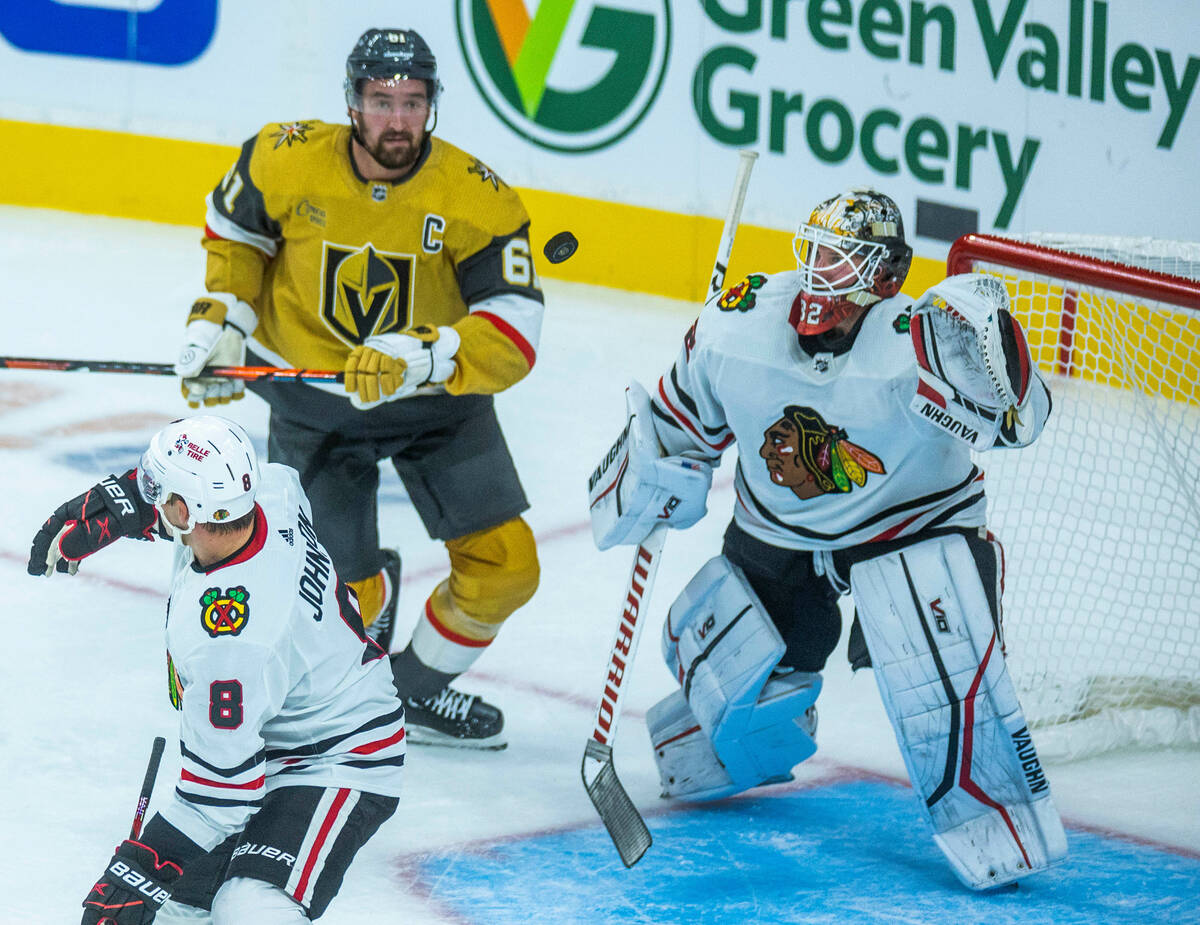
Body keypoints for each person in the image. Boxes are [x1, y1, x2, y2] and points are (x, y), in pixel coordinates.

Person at [586, 188, 1067, 888]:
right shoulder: (737, 324)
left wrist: (996, 361)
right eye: (814, 254)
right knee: (732, 699)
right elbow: (675, 416)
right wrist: (651, 470)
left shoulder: (921, 344)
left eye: (844, 264)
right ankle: (733, 746)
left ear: (887, 279)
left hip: (912, 527)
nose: (820, 278)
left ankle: (994, 819)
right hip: (779, 527)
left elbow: (1020, 422)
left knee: (942, 663)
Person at [172, 28, 544, 749]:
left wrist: (427, 357)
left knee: (507, 568)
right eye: (381, 101)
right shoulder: (285, 159)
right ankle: (343, 675)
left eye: (413, 101)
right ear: (353, 102)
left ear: (433, 105)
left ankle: (402, 695)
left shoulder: (477, 197)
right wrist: (222, 322)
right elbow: (237, 241)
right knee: (343, 594)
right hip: (316, 405)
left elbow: (517, 327)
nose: (397, 119)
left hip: (439, 407)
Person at [27, 415, 406, 923]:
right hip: (268, 729)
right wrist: (126, 508)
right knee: (179, 911)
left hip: (339, 753)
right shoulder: (273, 491)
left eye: (155, 490)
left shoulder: (228, 641)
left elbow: (221, 795)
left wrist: (141, 869)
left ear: (184, 510)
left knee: (249, 908)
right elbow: (223, 508)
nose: (146, 497)